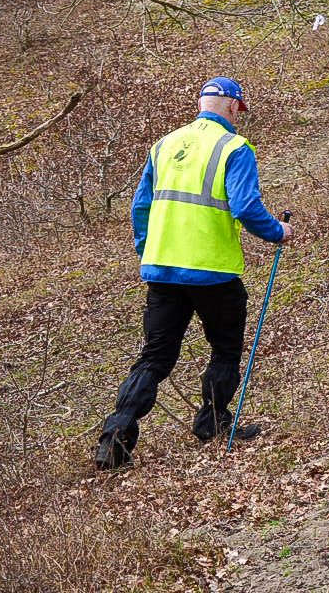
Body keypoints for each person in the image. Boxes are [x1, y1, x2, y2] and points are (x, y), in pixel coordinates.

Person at [95, 78, 291, 470]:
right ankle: (213, 425)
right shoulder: (235, 148)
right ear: (234, 107)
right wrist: (277, 232)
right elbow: (246, 206)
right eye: (240, 109)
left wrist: (147, 250)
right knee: (225, 349)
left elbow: (140, 207)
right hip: (213, 272)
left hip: (163, 269)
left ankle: (116, 435)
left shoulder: (164, 145)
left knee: (154, 357)